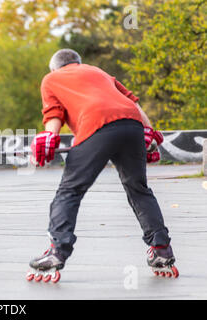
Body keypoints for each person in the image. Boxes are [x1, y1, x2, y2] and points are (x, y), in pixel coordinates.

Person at [27, 49, 178, 283]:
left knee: (70, 190)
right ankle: (161, 248)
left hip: (96, 125)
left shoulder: (52, 79)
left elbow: (53, 115)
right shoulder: (99, 72)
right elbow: (133, 103)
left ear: (54, 68)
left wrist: (48, 137)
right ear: (78, 63)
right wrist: (148, 133)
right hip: (132, 125)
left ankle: (58, 250)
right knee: (138, 188)